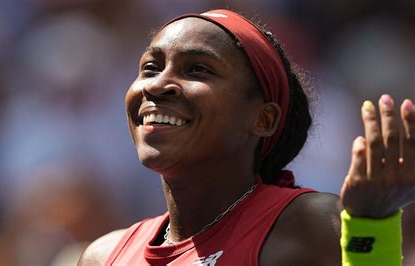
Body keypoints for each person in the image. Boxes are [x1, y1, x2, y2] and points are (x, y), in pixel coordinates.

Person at [79, 9, 415, 265]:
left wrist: (372, 228)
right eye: (150, 67)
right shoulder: (103, 255)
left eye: (198, 69)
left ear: (263, 118)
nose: (155, 85)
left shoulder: (310, 226)